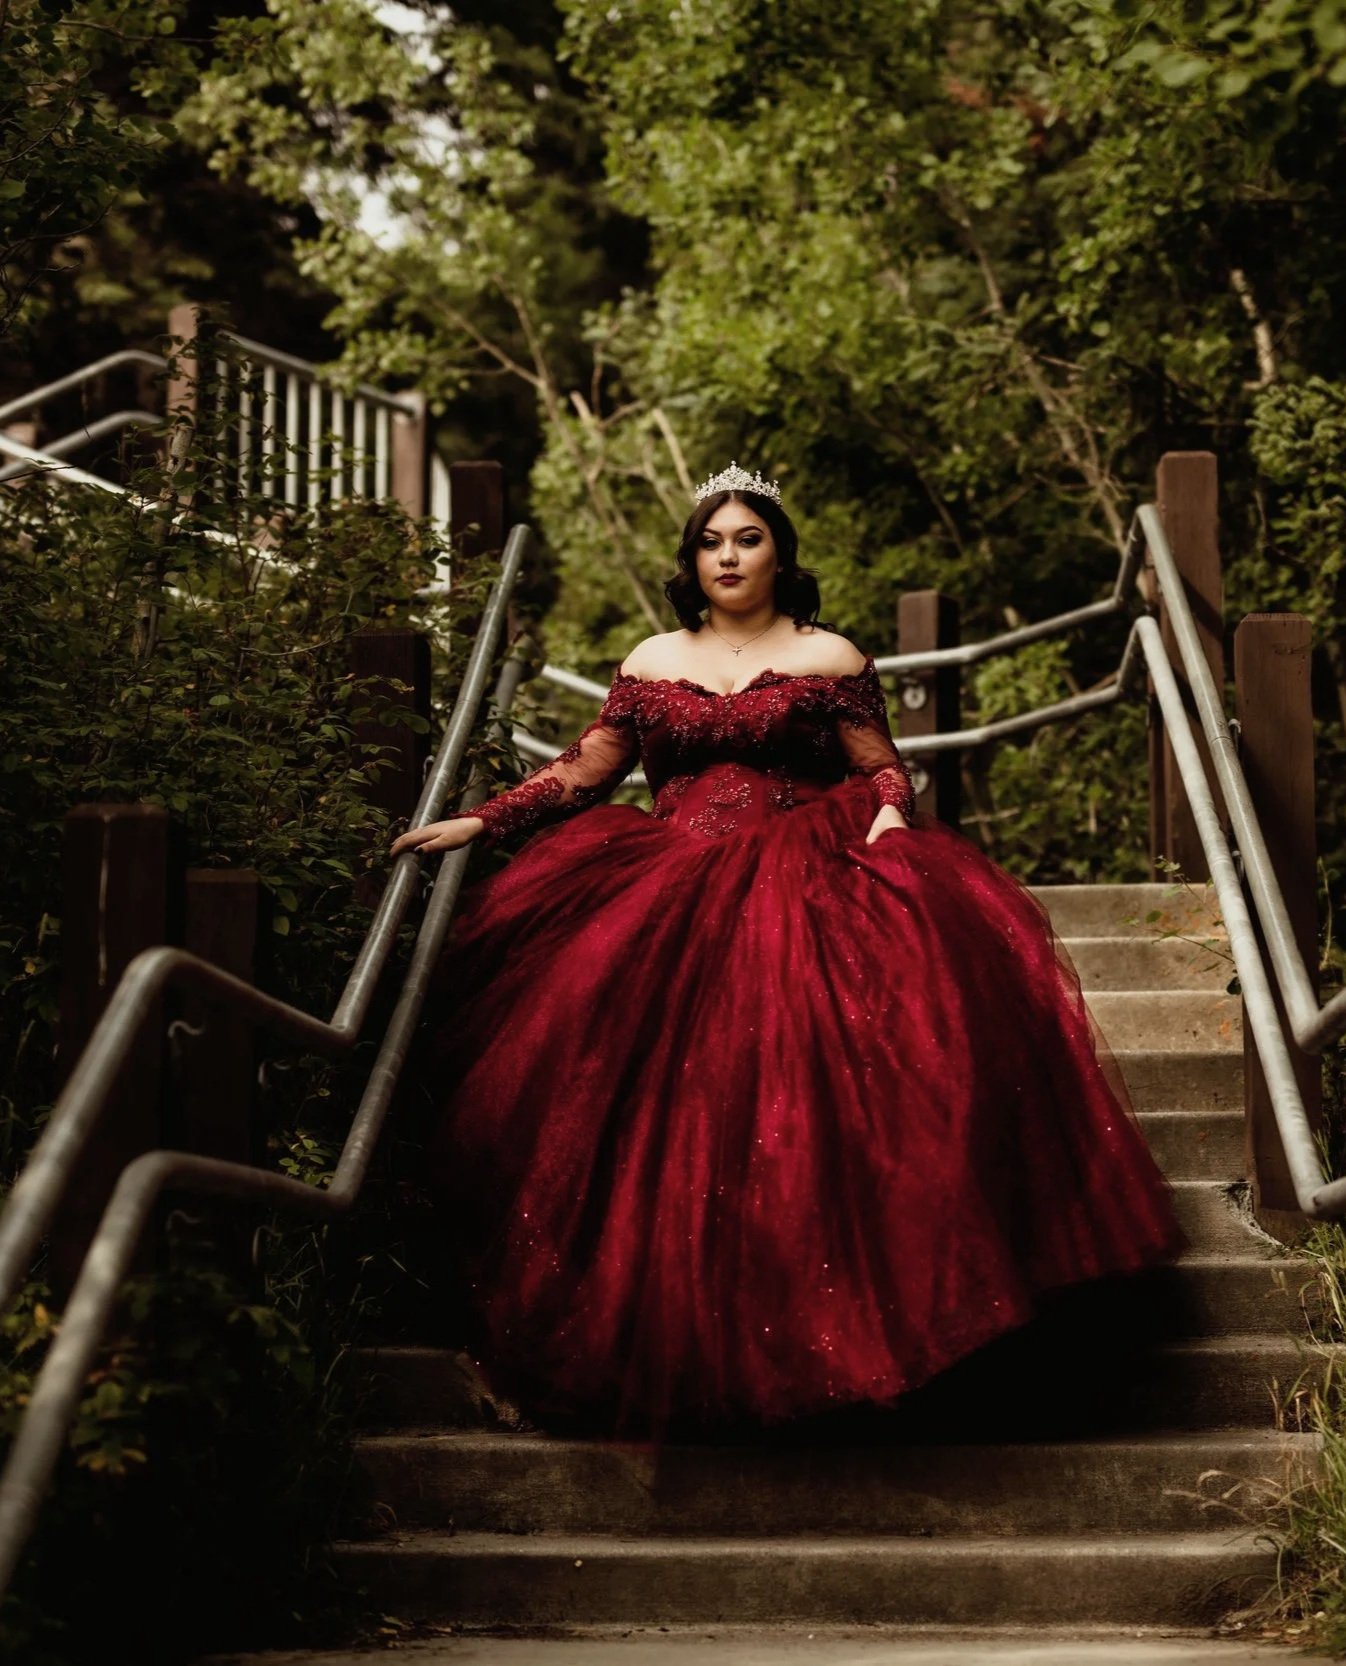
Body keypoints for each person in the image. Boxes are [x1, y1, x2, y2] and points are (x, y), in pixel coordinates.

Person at [391, 462, 1184, 1436]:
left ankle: (855, 1337)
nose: (728, 555)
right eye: (711, 541)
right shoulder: (648, 658)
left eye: (747, 537)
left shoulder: (829, 656)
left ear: (778, 550)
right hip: (663, 875)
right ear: (691, 558)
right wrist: (480, 822)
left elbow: (883, 769)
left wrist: (890, 820)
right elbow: (588, 770)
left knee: (826, 1091)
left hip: (799, 871)